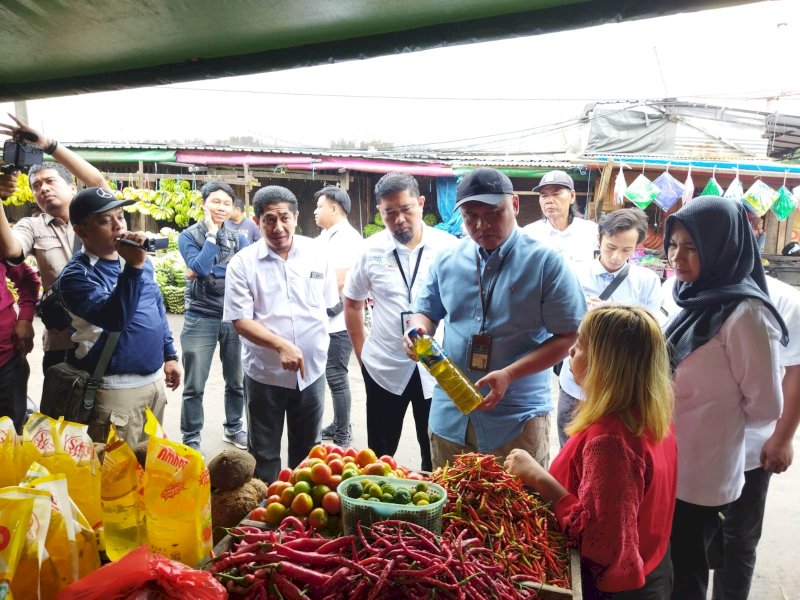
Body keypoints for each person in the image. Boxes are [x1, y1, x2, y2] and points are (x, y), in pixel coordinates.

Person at [408, 167, 585, 469]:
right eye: (470, 217)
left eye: (493, 213)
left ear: (514, 205)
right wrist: (417, 331)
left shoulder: (546, 262)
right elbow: (425, 312)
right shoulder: (448, 259)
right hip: (451, 414)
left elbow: (570, 335)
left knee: (518, 512)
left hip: (516, 419)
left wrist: (510, 374)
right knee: (451, 508)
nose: (481, 225)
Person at [661, 196, 788, 600]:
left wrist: (712, 417)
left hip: (702, 473)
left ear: (722, 247)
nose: (678, 256)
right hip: (670, 460)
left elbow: (767, 406)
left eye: (693, 246)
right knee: (673, 565)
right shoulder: (691, 297)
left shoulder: (746, 314)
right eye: (674, 243)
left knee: (688, 573)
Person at [505, 305, 677, 599]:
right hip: (653, 563)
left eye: (581, 346)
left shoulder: (611, 442)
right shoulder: (648, 414)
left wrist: (538, 477)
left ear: (606, 364)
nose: (571, 351)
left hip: (616, 587)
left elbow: (601, 543)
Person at [223, 185, 338, 482]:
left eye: (284, 218)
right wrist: (280, 345)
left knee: (309, 455)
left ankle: (300, 523)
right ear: (257, 220)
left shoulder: (317, 253)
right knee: (263, 454)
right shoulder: (242, 264)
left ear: (296, 217)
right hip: (265, 376)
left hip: (311, 374)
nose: (278, 227)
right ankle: (265, 519)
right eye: (269, 220)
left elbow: (326, 306)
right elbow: (240, 320)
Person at [343, 172, 454, 471]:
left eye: (406, 209)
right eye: (389, 212)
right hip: (384, 366)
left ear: (420, 203)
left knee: (436, 452)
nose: (399, 219)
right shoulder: (370, 250)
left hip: (438, 367)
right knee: (379, 455)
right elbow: (352, 303)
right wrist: (362, 354)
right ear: (380, 211)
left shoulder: (448, 248)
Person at [58, 187, 182, 445]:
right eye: (105, 220)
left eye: (120, 217)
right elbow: (116, 319)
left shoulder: (139, 260)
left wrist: (170, 355)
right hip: (115, 391)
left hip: (154, 384)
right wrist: (134, 266)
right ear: (80, 230)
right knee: (114, 475)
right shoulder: (76, 276)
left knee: (149, 466)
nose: (118, 226)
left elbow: (155, 306)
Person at [0, 115, 109, 371]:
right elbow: (11, 251)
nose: (43, 189)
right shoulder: (31, 225)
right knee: (60, 410)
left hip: (105, 335)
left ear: (73, 187)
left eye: (50, 181)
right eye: (36, 186)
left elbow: (99, 184)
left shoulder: (95, 217)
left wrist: (48, 144)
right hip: (62, 342)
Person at [557, 208, 661, 447]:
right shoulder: (574, 274)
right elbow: (557, 322)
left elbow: (651, 334)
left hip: (619, 386)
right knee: (569, 449)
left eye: (627, 250)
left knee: (608, 449)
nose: (616, 257)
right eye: (611, 247)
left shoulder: (647, 281)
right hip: (575, 382)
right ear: (599, 239)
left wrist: (610, 314)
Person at [178, 181, 250, 452]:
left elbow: (241, 273)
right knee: (194, 384)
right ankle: (191, 437)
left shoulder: (239, 238)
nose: (221, 207)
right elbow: (197, 265)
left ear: (233, 208)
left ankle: (233, 428)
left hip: (234, 317)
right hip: (200, 316)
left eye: (226, 203)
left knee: (237, 381)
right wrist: (210, 236)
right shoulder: (187, 236)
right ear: (204, 204)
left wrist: (208, 270)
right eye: (216, 202)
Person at [313, 185, 362, 448]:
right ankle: (337, 424)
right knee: (328, 374)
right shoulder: (326, 236)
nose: (315, 211)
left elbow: (340, 281)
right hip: (324, 320)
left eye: (320, 206)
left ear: (334, 208)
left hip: (338, 322)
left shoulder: (346, 239)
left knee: (336, 375)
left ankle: (343, 432)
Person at [523, 170, 599, 267]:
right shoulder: (529, 234)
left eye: (556, 194)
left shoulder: (591, 232)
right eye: (544, 195)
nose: (549, 201)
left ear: (572, 196)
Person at [0, 260, 40, 431]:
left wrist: (25, 318)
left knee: (10, 439)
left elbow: (27, 280)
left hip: (7, 363)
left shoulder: (4, 244)